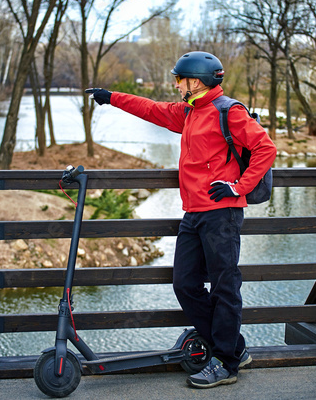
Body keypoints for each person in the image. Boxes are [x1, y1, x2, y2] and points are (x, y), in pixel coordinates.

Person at [86, 51, 277, 389]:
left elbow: (265, 148)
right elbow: (150, 108)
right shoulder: (190, 112)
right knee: (185, 284)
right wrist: (111, 97)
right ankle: (235, 348)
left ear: (197, 81)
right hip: (194, 214)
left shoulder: (227, 111)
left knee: (224, 287)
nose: (176, 85)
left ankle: (227, 364)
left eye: (180, 79)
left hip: (222, 214)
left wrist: (237, 187)